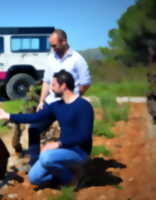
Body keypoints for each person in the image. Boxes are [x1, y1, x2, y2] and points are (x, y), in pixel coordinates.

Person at [0, 70, 94, 186]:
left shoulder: (84, 106)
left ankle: (71, 179)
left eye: (53, 85)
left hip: (79, 151)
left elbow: (85, 135)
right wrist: (7, 115)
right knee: (34, 178)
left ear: (63, 86)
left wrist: (59, 144)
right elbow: (35, 117)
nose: (51, 89)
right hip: (63, 151)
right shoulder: (57, 106)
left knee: (46, 156)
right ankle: (67, 172)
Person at [27, 29, 91, 166]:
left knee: (69, 136)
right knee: (33, 128)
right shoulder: (51, 58)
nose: (52, 48)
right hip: (52, 104)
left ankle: (70, 163)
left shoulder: (78, 60)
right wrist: (41, 101)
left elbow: (85, 83)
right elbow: (46, 81)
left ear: (64, 42)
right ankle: (34, 163)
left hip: (69, 105)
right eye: (51, 45)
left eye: (54, 45)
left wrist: (73, 99)